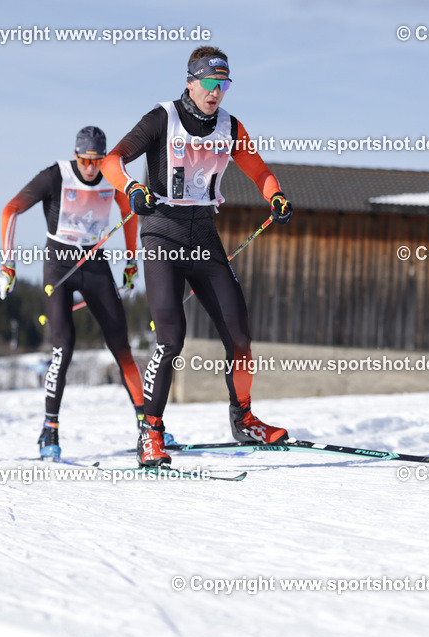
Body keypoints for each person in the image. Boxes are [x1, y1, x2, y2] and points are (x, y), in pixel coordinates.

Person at [102, 46, 294, 467]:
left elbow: (259, 171)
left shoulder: (230, 126)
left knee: (240, 337)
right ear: (191, 81)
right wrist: (132, 189)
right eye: (209, 83)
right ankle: (150, 433)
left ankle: (244, 419)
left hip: (204, 236)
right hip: (161, 236)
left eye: (223, 85)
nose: (216, 92)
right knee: (171, 339)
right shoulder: (162, 118)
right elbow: (111, 160)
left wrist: (274, 195)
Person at [0, 126, 148, 461]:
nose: (91, 167)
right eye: (85, 160)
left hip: (94, 266)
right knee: (63, 347)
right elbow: (11, 210)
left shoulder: (112, 176)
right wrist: (9, 265)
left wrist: (131, 261)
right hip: (58, 269)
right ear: (76, 155)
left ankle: (147, 425)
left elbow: (130, 214)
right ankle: (50, 427)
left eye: (97, 160)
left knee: (121, 346)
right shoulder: (55, 176)